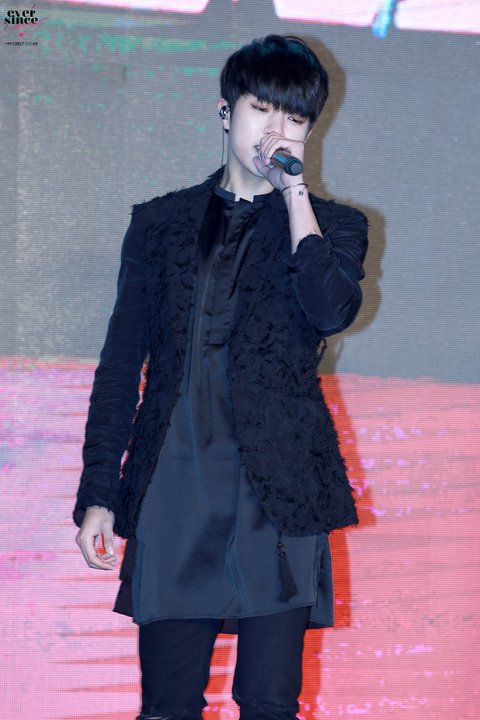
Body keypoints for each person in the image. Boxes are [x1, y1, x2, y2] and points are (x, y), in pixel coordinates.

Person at [73, 34, 368, 720]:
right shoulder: (160, 224)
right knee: (167, 703)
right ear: (225, 111)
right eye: (262, 108)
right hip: (176, 489)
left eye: (295, 118)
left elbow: (331, 310)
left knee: (269, 701)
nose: (275, 129)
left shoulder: (333, 228)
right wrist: (99, 492)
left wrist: (294, 194)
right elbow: (121, 366)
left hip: (278, 498)